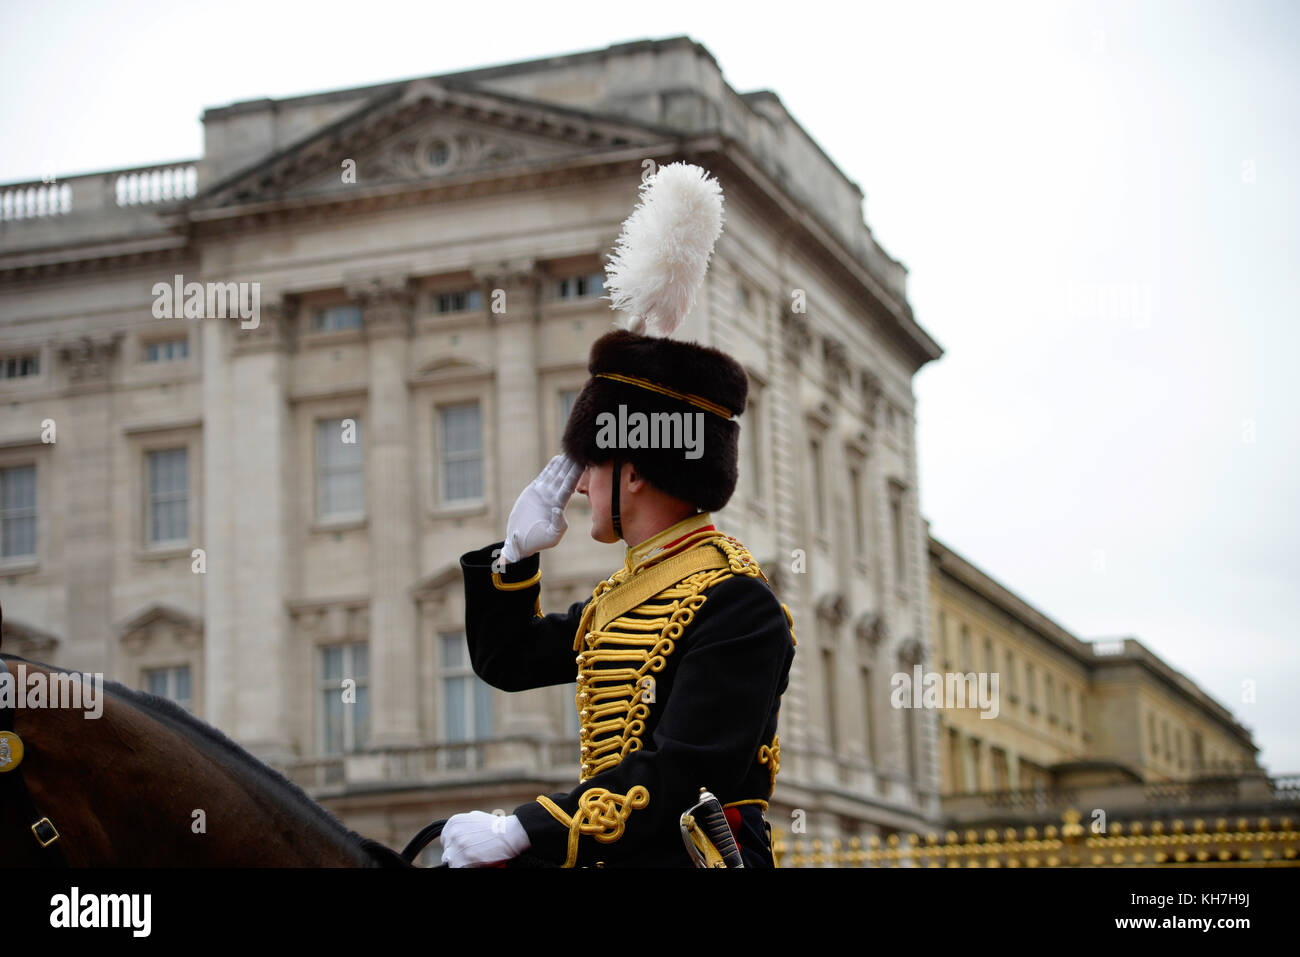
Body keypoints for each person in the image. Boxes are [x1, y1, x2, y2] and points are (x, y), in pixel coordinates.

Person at [440, 326, 797, 867]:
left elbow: (687, 775)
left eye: (590, 462)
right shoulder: (622, 595)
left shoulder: (738, 603)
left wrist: (526, 827)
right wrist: (513, 556)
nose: (579, 485)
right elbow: (507, 659)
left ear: (633, 471)